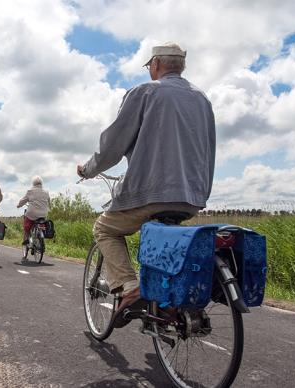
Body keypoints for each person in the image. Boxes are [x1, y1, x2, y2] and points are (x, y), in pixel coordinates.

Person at [77, 42, 216, 328]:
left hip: (150, 193)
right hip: (191, 196)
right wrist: (200, 190)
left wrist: (88, 169)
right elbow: (209, 149)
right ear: (182, 67)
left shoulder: (145, 92)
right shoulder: (202, 100)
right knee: (162, 240)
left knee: (104, 229)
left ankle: (130, 287)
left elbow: (113, 145)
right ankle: (164, 308)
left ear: (155, 65)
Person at [17, 176, 50, 245]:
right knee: (42, 223)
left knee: (27, 224)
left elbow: (23, 200)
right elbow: (48, 202)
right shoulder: (46, 192)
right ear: (41, 183)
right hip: (44, 214)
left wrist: (19, 205)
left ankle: (26, 238)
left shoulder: (30, 191)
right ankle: (39, 237)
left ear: (33, 183)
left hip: (32, 213)